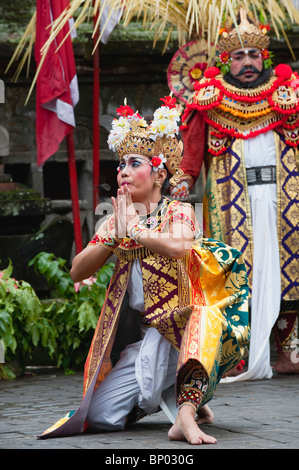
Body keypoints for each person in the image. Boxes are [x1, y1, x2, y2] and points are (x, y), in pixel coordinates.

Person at [38, 97, 249, 445]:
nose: (121, 170)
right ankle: (177, 398)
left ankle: (185, 413)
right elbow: (76, 271)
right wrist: (115, 236)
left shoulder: (178, 210)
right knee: (101, 416)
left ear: (159, 174)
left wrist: (136, 231)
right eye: (120, 163)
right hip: (149, 335)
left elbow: (180, 246)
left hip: (188, 327)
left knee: (204, 317)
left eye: (134, 163)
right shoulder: (115, 219)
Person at [170, 7, 299, 381]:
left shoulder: (287, 96)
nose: (247, 62)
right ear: (227, 61)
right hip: (233, 204)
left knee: (289, 271)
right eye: (238, 56)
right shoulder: (209, 100)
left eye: (253, 55)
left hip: (284, 201)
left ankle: (288, 352)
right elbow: (190, 156)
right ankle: (235, 355)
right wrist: (178, 186)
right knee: (235, 274)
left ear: (265, 57)